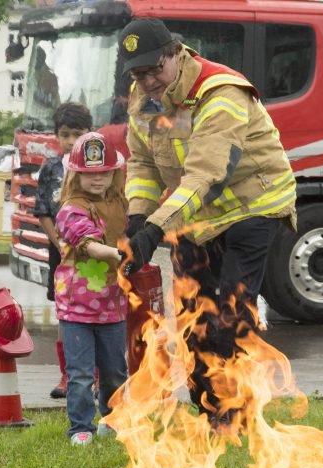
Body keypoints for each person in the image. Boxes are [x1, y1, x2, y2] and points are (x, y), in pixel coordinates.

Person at [119, 18, 297, 428]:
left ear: (175, 54)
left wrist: (155, 229)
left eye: (154, 70)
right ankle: (211, 412)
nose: (147, 82)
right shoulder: (143, 100)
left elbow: (205, 175)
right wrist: (137, 218)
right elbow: (144, 163)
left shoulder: (221, 93)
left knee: (230, 317)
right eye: (138, 73)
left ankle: (238, 410)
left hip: (252, 209)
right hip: (196, 214)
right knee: (191, 318)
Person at [54, 131, 128, 445]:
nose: (97, 180)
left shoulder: (120, 205)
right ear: (75, 174)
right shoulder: (70, 209)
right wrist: (117, 254)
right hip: (76, 308)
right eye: (88, 174)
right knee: (81, 373)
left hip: (113, 306)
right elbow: (88, 245)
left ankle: (112, 421)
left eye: (103, 173)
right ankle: (80, 428)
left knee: (114, 372)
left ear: (115, 173)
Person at [33, 102, 93, 399]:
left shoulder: (98, 167)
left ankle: (92, 377)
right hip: (61, 253)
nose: (71, 141)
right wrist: (58, 241)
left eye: (78, 134)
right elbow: (43, 210)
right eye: (66, 134)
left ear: (90, 134)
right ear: (57, 136)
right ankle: (67, 377)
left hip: (93, 253)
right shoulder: (51, 168)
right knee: (64, 312)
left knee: (95, 308)